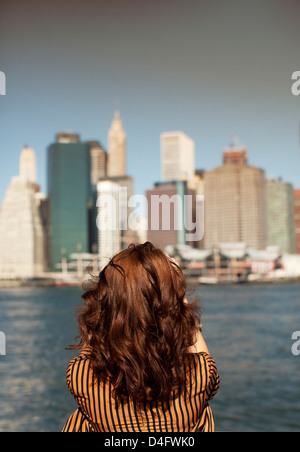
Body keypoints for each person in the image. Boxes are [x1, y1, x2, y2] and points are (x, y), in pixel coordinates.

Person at [63, 242, 220, 432]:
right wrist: (183, 314)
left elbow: (93, 345)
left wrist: (108, 306)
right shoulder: (199, 375)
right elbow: (205, 362)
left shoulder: (82, 376)